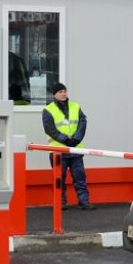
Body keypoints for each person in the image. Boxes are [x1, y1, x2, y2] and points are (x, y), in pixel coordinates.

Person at [42, 82, 94, 210]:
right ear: (54, 94)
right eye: (60, 92)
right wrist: (65, 140)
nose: (64, 93)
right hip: (58, 151)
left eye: (65, 91)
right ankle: (60, 203)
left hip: (75, 149)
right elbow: (50, 129)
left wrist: (76, 139)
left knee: (80, 177)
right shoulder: (48, 110)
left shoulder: (75, 106)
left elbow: (83, 122)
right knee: (59, 179)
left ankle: (83, 201)